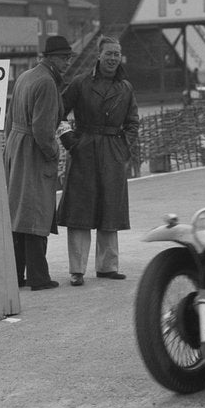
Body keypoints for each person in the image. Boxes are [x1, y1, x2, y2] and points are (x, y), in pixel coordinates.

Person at [57, 36, 140, 287]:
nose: (113, 58)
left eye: (117, 54)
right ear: (99, 56)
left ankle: (107, 267)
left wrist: (123, 148)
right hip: (84, 150)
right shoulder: (80, 83)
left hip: (113, 153)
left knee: (110, 209)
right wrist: (70, 141)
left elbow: (133, 123)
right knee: (80, 211)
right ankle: (77, 270)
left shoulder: (126, 88)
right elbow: (58, 113)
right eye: (109, 53)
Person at [3, 35, 75, 291]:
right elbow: (43, 130)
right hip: (33, 151)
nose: (67, 62)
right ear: (51, 58)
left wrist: (12, 147)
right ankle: (38, 276)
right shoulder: (46, 82)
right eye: (64, 58)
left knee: (19, 213)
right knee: (36, 212)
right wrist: (54, 152)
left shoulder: (25, 76)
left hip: (16, 146)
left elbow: (9, 119)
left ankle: (16, 274)